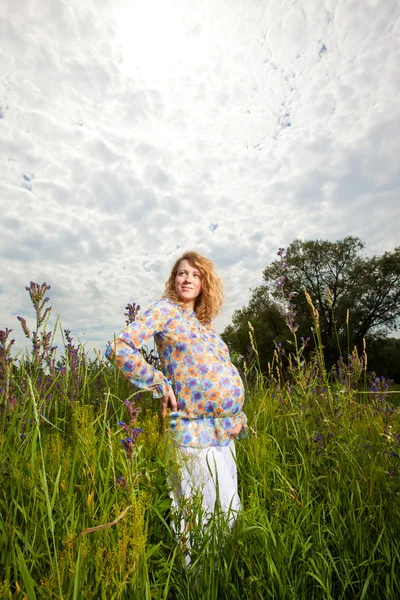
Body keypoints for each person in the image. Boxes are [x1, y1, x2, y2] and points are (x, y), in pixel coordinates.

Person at [106, 250, 247, 539]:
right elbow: (119, 347)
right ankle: (197, 583)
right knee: (201, 520)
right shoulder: (165, 310)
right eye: (182, 273)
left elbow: (223, 373)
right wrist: (159, 384)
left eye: (196, 275)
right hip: (191, 431)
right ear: (173, 279)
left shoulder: (206, 327)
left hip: (224, 432)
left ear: (205, 284)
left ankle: (222, 580)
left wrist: (239, 418)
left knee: (229, 513)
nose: (188, 279)